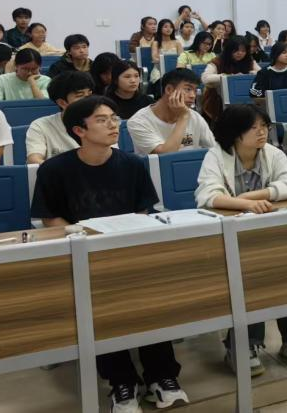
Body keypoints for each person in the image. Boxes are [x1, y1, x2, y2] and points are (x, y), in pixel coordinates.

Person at [30, 96, 188, 411]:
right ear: (79, 130)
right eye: (102, 120)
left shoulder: (132, 164)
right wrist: (85, 240)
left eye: (114, 118)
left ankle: (162, 377)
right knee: (97, 306)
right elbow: (50, 218)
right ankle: (122, 383)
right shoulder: (54, 170)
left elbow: (142, 211)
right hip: (82, 255)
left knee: (149, 298)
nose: (113, 124)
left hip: (127, 251)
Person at [195, 104, 287, 376]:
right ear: (235, 133)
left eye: (264, 126)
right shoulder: (216, 156)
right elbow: (207, 196)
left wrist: (252, 197)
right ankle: (244, 343)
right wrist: (246, 205)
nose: (262, 132)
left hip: (268, 236)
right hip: (228, 239)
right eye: (253, 128)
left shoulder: (272, 153)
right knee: (249, 271)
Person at [128, 69, 215, 155]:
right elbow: (166, 157)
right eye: (188, 89)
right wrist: (183, 117)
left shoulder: (195, 117)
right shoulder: (138, 121)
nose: (193, 96)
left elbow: (215, 149)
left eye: (195, 91)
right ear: (169, 89)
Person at [26, 72, 95, 164]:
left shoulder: (102, 122)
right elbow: (34, 160)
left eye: (90, 94)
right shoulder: (41, 125)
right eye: (80, 95)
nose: (89, 100)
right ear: (62, 103)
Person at [201, 37, 260, 122]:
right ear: (229, 50)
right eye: (236, 50)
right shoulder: (218, 61)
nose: (240, 53)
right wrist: (229, 77)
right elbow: (205, 78)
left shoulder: (249, 61)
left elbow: (262, 74)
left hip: (245, 98)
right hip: (218, 98)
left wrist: (251, 74)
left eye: (243, 51)